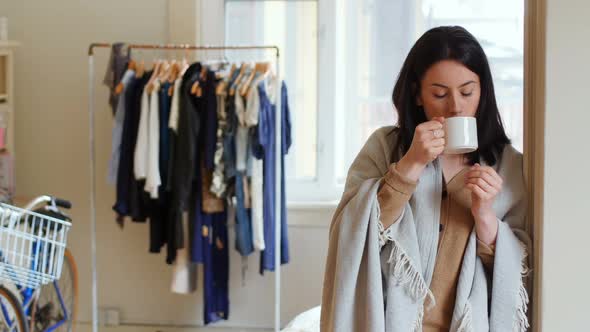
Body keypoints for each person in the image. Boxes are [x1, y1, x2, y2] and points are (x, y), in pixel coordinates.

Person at [320, 26, 531, 331]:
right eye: (440, 94)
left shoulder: (506, 165)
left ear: (483, 90)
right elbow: (351, 235)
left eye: (467, 91)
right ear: (418, 95)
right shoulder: (385, 147)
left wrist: (485, 216)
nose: (456, 106)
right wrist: (410, 166)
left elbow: (519, 278)